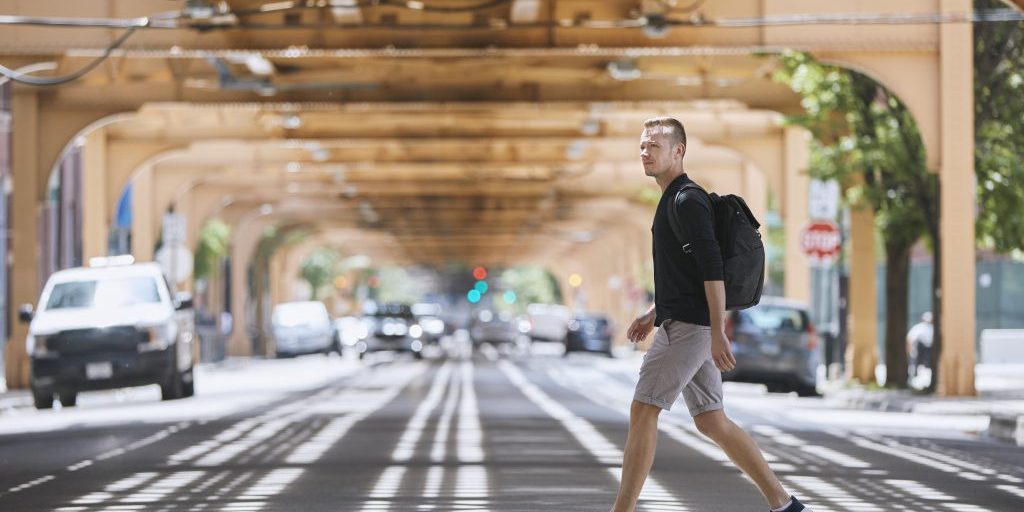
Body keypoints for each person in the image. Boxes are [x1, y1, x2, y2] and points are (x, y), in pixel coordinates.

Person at [610, 117, 813, 512]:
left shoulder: (688, 200)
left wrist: (718, 329)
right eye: (642, 146)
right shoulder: (672, 199)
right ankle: (784, 503)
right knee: (710, 419)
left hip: (690, 327)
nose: (645, 152)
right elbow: (683, 273)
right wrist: (654, 312)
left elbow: (711, 265)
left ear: (678, 151)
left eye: (654, 145)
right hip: (684, 320)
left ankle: (623, 510)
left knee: (644, 408)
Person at [906, 311, 934, 378]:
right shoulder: (919, 327)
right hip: (921, 348)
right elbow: (911, 338)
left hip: (930, 348)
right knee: (917, 362)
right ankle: (915, 374)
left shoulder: (932, 327)